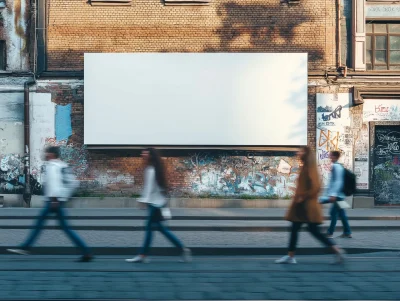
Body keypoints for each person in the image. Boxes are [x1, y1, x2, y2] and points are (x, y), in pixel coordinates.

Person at [7, 146, 93, 262]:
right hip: (55, 201)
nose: (45, 154)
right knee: (59, 227)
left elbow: (57, 184)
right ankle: (85, 252)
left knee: (44, 226)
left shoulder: (54, 166)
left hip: (54, 202)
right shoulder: (60, 165)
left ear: (52, 154)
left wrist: (55, 199)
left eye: (47, 152)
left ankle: (26, 247)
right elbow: (71, 183)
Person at [275, 146, 345, 264]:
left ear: (306, 154)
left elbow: (316, 187)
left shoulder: (310, 168)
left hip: (307, 207)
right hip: (303, 206)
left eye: (301, 151)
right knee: (299, 229)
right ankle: (291, 256)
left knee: (311, 230)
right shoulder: (305, 167)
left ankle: (336, 249)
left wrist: (303, 196)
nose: (298, 153)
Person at [126, 148, 191, 263]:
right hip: (159, 203)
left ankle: (142, 255)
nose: (142, 154)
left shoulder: (150, 169)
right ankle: (182, 249)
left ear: (150, 155)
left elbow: (149, 189)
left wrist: (142, 201)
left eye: (145, 152)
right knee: (160, 229)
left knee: (150, 229)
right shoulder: (155, 168)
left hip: (154, 205)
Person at [320, 151, 352, 238]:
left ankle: (330, 233)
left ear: (334, 156)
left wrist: (333, 194)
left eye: (330, 155)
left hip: (337, 196)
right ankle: (347, 232)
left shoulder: (336, 166)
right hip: (339, 195)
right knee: (342, 214)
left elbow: (338, 181)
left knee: (333, 213)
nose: (329, 157)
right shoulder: (338, 166)